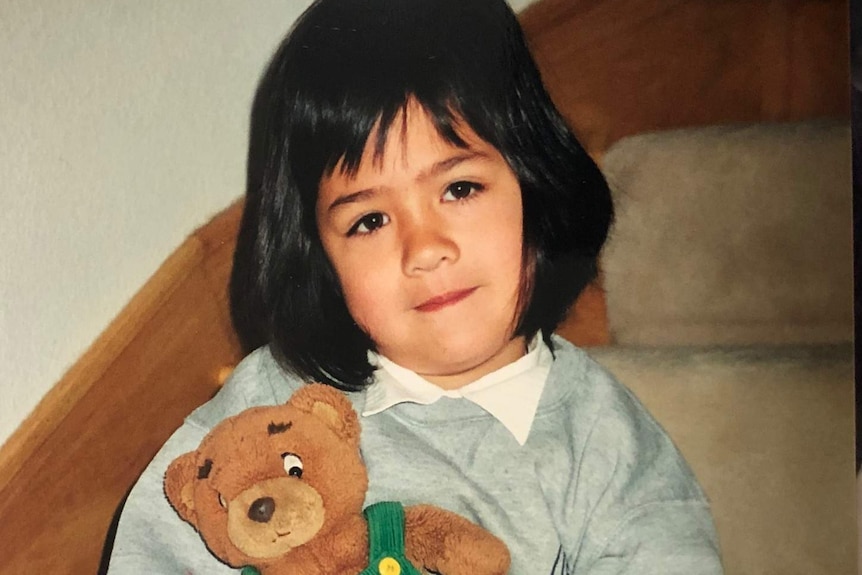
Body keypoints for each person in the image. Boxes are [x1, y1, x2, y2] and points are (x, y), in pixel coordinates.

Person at [107, 0, 723, 573]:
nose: (424, 249)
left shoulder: (602, 440)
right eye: (369, 221)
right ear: (319, 257)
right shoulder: (272, 400)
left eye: (459, 189)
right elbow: (154, 551)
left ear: (536, 186)